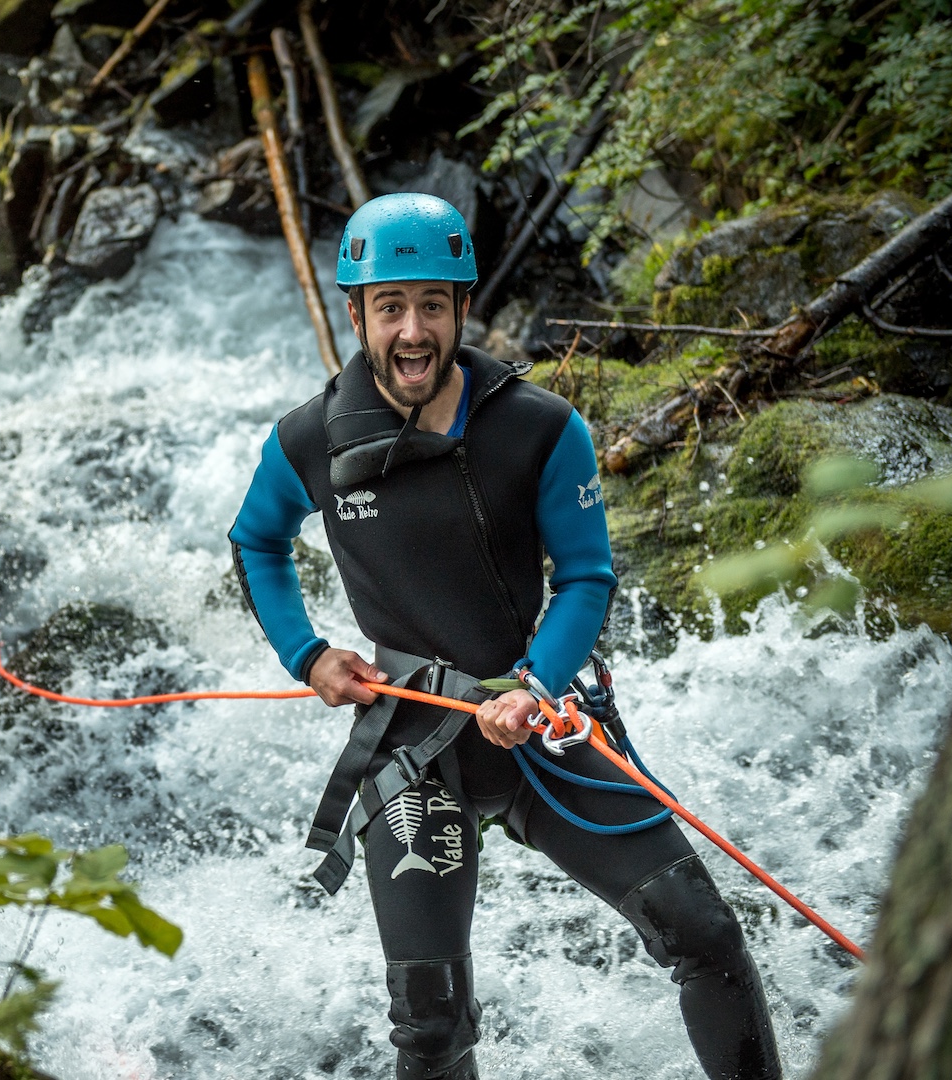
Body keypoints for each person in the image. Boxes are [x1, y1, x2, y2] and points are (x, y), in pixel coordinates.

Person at [228, 193, 781, 1079]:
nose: (414, 331)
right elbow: (257, 541)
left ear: (463, 305)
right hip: (417, 748)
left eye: (434, 305)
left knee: (707, 936)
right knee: (431, 1024)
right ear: (356, 313)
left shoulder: (540, 428)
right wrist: (309, 653)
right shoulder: (308, 441)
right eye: (391, 307)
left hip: (543, 725)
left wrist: (535, 683)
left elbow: (587, 576)